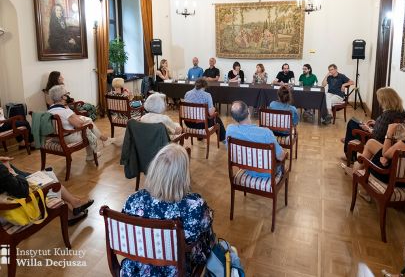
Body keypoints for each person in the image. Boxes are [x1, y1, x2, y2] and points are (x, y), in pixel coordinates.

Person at [121, 144, 214, 277]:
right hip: (176, 271)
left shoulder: (133, 200)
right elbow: (205, 230)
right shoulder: (194, 205)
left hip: (136, 269)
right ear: (183, 175)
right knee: (207, 234)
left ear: (154, 169)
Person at [344, 113, 405, 188]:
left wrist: (389, 133)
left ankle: (357, 173)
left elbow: (385, 154)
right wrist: (388, 159)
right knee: (371, 142)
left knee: (364, 157)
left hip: (391, 178)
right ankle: (357, 171)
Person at [0, 156, 94, 225]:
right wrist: (9, 170)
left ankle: (71, 209)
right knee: (51, 183)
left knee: (45, 178)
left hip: (11, 191)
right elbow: (22, 191)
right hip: (13, 205)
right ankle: (73, 207)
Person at [47, 85, 115, 161]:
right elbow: (79, 124)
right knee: (88, 128)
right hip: (67, 138)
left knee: (88, 123)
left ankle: (103, 141)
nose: (68, 95)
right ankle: (93, 152)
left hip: (55, 138)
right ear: (63, 97)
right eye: (67, 94)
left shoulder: (49, 111)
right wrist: (83, 120)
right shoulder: (65, 111)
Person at [341, 87, 405, 160]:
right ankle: (348, 141)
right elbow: (386, 127)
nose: (379, 102)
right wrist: (376, 123)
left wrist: (368, 129)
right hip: (385, 139)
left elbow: (378, 135)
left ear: (385, 101)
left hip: (374, 140)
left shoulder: (387, 114)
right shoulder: (401, 111)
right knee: (355, 122)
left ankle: (349, 154)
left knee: (352, 122)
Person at [226, 101, 286, 178]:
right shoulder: (266, 133)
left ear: (233, 118)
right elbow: (280, 157)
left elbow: (230, 152)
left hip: (247, 169)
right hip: (268, 174)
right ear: (248, 111)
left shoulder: (230, 130)